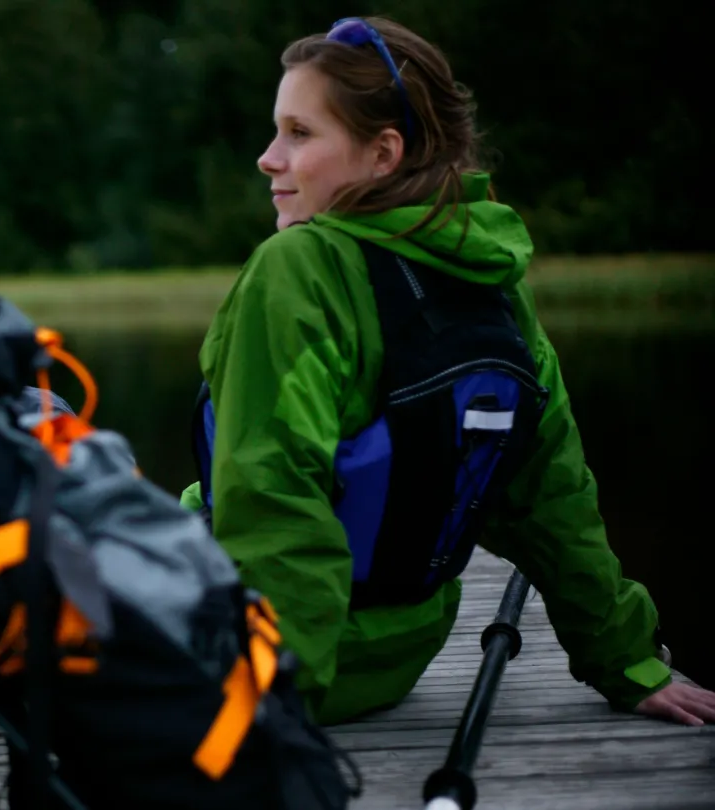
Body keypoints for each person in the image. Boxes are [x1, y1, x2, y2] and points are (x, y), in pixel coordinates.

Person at [179, 16, 715, 728]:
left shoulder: (297, 268)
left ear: (382, 154)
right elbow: (551, 491)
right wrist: (627, 659)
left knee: (49, 504)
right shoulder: (488, 277)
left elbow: (273, 503)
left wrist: (273, 714)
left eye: (299, 133)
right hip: (398, 655)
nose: (267, 158)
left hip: (260, 666)